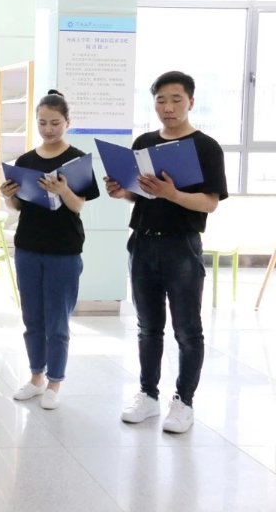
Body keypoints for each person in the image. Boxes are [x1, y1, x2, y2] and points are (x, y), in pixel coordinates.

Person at [110, 71, 227, 434]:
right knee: (148, 326)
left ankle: (184, 401)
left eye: (176, 99)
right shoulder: (144, 142)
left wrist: (172, 194)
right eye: (161, 100)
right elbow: (138, 192)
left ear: (191, 102)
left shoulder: (206, 147)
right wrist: (122, 191)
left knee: (187, 330)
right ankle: (148, 395)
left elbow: (210, 203)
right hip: (143, 241)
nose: (168, 107)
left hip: (182, 244)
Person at [0, 90, 99, 410]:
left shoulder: (78, 160)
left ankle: (55, 382)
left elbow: (78, 205)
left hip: (64, 249)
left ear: (67, 122)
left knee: (57, 320)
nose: (48, 129)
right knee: (32, 318)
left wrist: (63, 190)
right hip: (28, 245)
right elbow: (18, 206)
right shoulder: (26, 160)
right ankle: (36, 377)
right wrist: (8, 195)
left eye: (55, 123)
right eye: (42, 123)